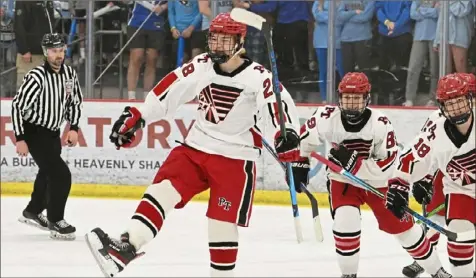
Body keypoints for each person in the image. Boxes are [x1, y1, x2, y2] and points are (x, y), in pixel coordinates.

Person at [85, 12, 300, 277]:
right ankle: (125, 249)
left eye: (224, 40)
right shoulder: (202, 64)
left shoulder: (259, 77)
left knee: (220, 225)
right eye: (214, 38)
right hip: (196, 147)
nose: (217, 45)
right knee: (162, 190)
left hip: (235, 158)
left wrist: (287, 136)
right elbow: (170, 89)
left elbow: (278, 109)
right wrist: (141, 116)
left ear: (240, 41)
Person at [288, 72, 450, 278]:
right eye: (347, 98)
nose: (351, 104)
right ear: (339, 98)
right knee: (346, 223)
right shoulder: (326, 117)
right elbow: (305, 140)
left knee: (406, 232)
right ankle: (349, 275)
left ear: (367, 99)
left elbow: (388, 166)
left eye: (356, 99)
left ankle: (438, 272)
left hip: (379, 183)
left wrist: (354, 163)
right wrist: (300, 163)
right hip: (343, 181)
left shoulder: (380, 124)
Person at [388, 73, 475, 278]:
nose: (457, 109)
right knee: (459, 243)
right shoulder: (435, 129)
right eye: (450, 104)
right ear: (441, 106)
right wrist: (399, 185)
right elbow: (411, 158)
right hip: (461, 191)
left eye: (460, 102)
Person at [12, 33, 83, 240]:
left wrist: (74, 127)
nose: (59, 55)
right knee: (61, 175)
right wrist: (20, 138)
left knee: (46, 173)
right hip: (34, 132)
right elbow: (17, 106)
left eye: (61, 50)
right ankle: (55, 220)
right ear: (45, 53)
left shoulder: (69, 74)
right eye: (54, 51)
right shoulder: (36, 77)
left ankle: (33, 211)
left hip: (53, 132)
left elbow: (75, 102)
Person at [126, 1, 168, 100]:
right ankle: (131, 96)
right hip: (136, 22)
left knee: (152, 59)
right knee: (136, 57)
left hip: (156, 23)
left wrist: (163, 7)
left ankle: (147, 96)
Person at [14, 0, 55, 89]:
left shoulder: (48, 2)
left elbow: (51, 25)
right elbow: (19, 26)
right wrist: (24, 49)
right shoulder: (23, 2)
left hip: (45, 54)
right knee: (26, 89)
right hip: (30, 55)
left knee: (44, 90)